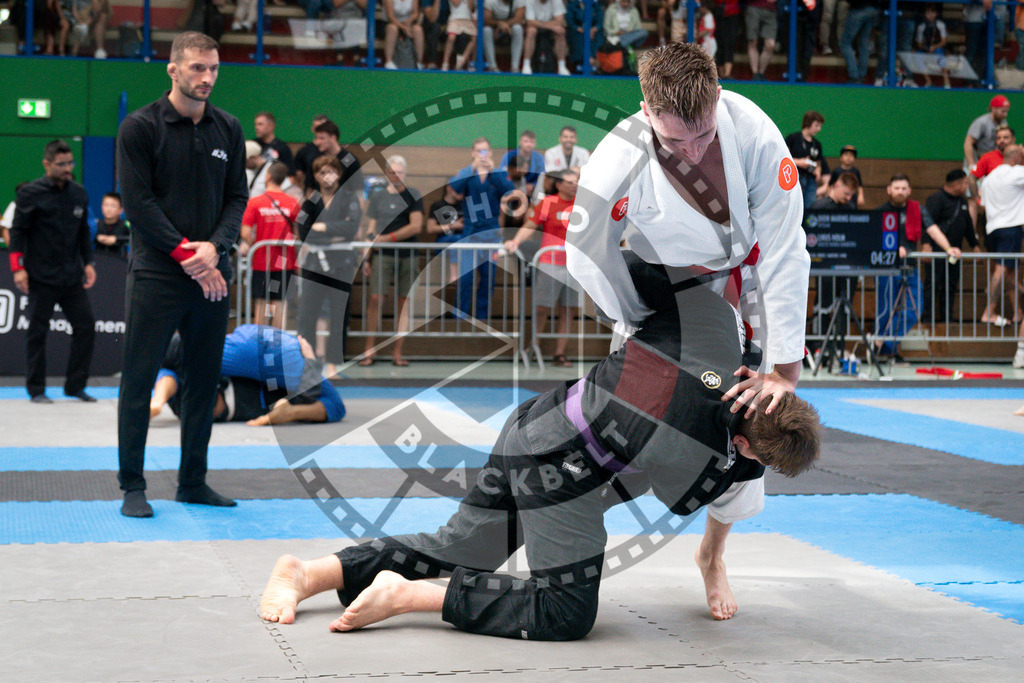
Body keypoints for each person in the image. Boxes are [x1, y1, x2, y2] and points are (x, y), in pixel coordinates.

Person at [258, 254, 822, 638]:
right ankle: (405, 597)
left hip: (534, 420)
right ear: (746, 441)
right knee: (566, 612)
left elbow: (639, 267)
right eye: (756, 457)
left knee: (464, 545)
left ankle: (309, 572)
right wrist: (740, 466)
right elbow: (682, 498)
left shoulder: (717, 325)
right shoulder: (697, 453)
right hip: (563, 476)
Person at [567, 41, 810, 416]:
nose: (692, 151)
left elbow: (785, 246)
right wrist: (634, 315)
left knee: (755, 414)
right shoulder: (617, 159)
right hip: (660, 291)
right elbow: (584, 255)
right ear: (647, 113)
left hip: (744, 279)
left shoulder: (754, 133)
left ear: (717, 96)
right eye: (675, 140)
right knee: (640, 418)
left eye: (703, 135)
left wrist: (784, 371)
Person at [115, 31, 248, 519]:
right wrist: (185, 255)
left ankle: (193, 480)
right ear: (172, 69)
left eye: (213, 68)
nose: (207, 77)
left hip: (212, 272)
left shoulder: (228, 128)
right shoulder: (140, 127)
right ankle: (132, 484)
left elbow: (237, 198)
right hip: (158, 273)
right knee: (140, 378)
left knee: (203, 380)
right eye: (197, 68)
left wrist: (216, 247)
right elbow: (138, 203)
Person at [9, 139, 97, 404]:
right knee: (37, 332)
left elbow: (83, 233)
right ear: (47, 164)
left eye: (70, 162)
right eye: (61, 164)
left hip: (71, 277)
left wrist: (89, 263)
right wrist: (18, 269)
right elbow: (17, 232)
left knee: (86, 328)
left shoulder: (79, 193)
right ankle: (36, 390)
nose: (67, 168)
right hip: (40, 276)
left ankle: (75, 385)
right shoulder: (30, 193)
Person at [149, 325, 345, 426]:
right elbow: (335, 405)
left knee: (169, 365)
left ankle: (156, 402)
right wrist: (310, 358)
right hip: (265, 343)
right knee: (324, 399)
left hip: (254, 347)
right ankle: (156, 402)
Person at [873, 174, 961, 359]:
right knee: (885, 310)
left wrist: (948, 247)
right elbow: (874, 239)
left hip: (910, 268)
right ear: (889, 190)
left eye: (904, 188)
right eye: (896, 188)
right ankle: (887, 353)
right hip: (886, 268)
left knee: (915, 310)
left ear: (909, 191)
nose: (900, 192)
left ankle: (883, 343)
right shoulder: (880, 211)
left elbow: (933, 230)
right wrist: (894, 247)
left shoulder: (917, 209)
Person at [504, 169, 581, 367]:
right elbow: (530, 225)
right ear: (559, 184)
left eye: (576, 181)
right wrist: (515, 241)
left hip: (576, 266)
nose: (574, 185)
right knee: (541, 308)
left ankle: (560, 353)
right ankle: (532, 346)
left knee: (569, 310)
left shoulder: (583, 204)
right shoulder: (548, 203)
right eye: (570, 182)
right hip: (550, 262)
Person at [295, 155, 363, 376]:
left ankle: (333, 364)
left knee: (338, 315)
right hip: (315, 264)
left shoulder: (348, 198)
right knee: (307, 315)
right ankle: (310, 362)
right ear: (316, 176)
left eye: (331, 171)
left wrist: (321, 227)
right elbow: (305, 233)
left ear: (339, 174)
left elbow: (351, 228)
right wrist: (331, 233)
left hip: (341, 264)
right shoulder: (310, 202)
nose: (327, 176)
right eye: (322, 172)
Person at [360, 156, 424, 367]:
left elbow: (416, 226)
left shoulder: (413, 194)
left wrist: (388, 238)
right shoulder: (377, 198)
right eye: (392, 171)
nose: (396, 175)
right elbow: (371, 230)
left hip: (407, 255)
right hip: (382, 255)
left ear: (404, 173)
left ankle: (397, 353)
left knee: (403, 304)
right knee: (375, 299)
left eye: (399, 172)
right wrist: (367, 257)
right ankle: (369, 351)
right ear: (387, 173)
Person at [448, 138, 515, 321]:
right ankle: (459, 317)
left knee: (487, 278)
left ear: (491, 153)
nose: (482, 155)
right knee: (466, 278)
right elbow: (454, 188)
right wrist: (472, 169)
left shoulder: (498, 173)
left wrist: (493, 172)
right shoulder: (466, 172)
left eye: (485, 151)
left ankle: (482, 317)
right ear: (473, 153)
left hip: (491, 233)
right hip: (470, 231)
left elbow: (509, 191)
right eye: (478, 151)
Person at [239, 161, 300, 328]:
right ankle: (277, 346)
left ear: (268, 176)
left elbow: (245, 233)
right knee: (279, 303)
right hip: (284, 262)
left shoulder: (255, 202)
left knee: (261, 304)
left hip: (261, 261)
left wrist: (255, 244)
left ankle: (260, 348)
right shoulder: (292, 202)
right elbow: (298, 233)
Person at [923, 170, 980, 324]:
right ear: (956, 184)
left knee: (950, 285)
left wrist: (975, 246)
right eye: (965, 183)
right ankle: (927, 319)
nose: (967, 186)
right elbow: (927, 224)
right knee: (933, 283)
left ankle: (947, 318)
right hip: (937, 251)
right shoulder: (936, 199)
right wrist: (926, 245)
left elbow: (968, 225)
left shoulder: (962, 202)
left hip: (955, 253)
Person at [978, 145, 1024, 328]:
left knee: (1010, 271)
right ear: (1017, 158)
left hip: (992, 228)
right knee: (1002, 269)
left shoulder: (989, 179)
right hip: (1010, 228)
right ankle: (988, 311)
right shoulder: (1016, 172)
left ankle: (1017, 311)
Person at [784, 111, 828, 212]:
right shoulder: (793, 138)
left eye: (820, 126)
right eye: (816, 125)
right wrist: (798, 162)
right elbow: (783, 158)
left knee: (809, 207)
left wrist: (818, 170)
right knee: (793, 207)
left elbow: (819, 162)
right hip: (795, 178)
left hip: (811, 180)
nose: (818, 129)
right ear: (808, 123)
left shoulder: (817, 144)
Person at [523, 0, 570, 75]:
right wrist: (550, 26)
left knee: (560, 31)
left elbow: (559, 21)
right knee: (531, 31)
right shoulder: (529, 1)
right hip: (538, 27)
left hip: (549, 27)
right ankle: (526, 65)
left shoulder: (557, 1)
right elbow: (529, 22)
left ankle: (562, 66)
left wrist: (546, 25)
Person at [965, 95, 1011, 172]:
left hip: (989, 164)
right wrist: (971, 165)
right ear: (993, 109)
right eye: (1002, 111)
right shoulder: (982, 123)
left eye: (1006, 111)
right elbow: (968, 143)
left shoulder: (1003, 122)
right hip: (976, 163)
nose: (1005, 114)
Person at [839, 0, 879, 84]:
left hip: (858, 8)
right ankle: (861, 76)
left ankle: (854, 76)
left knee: (845, 43)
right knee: (863, 43)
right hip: (873, 9)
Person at [498, 130, 546, 198]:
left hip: (532, 191)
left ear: (535, 144)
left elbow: (541, 176)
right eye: (526, 141)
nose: (528, 144)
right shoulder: (509, 156)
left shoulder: (539, 158)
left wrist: (533, 185)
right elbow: (502, 175)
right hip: (511, 187)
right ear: (520, 142)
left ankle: (538, 206)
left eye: (531, 142)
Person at [914, 4, 950, 89]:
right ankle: (928, 81)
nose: (930, 15)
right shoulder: (921, 26)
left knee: (941, 56)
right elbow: (919, 43)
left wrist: (934, 47)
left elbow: (944, 41)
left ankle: (946, 82)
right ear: (925, 14)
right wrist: (926, 48)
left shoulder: (940, 25)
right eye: (928, 13)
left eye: (932, 12)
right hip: (926, 48)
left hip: (937, 47)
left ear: (936, 13)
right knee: (917, 56)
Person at [483, 0, 526, 72]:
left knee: (518, 28)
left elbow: (519, 19)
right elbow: (486, 20)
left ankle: (515, 67)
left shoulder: (519, 1)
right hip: (495, 31)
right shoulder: (490, 1)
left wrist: (506, 24)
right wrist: (498, 24)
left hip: (510, 30)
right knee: (486, 30)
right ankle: (492, 67)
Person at [382, 0, 425, 69]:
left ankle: (419, 62)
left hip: (408, 23)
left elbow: (415, 13)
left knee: (418, 29)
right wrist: (403, 27)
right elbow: (390, 16)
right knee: (392, 28)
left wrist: (408, 21)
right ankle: (388, 61)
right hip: (391, 23)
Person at [294, 114, 329, 195]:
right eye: (317, 128)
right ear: (313, 129)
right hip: (313, 194)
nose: (320, 131)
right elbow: (297, 178)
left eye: (323, 127)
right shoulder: (304, 151)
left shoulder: (335, 152)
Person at [565, 0, 603, 73]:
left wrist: (593, 29)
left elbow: (600, 21)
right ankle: (587, 60)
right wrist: (580, 29)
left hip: (592, 31)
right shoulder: (572, 5)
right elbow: (570, 22)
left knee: (598, 36)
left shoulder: (596, 5)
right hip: (577, 31)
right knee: (579, 37)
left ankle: (593, 59)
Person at [254, 111, 296, 176]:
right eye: (255, 124)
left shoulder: (282, 148)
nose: (256, 127)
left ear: (271, 126)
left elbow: (291, 175)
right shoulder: (252, 145)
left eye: (260, 124)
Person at [745, 0, 777, 80]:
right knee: (753, 41)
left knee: (770, 45)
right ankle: (755, 74)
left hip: (771, 10)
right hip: (754, 7)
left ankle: (761, 73)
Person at [441, 0, 477, 71]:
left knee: (475, 38)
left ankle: (462, 60)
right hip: (454, 20)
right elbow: (456, 3)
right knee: (451, 37)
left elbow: (471, 8)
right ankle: (445, 63)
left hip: (467, 20)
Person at [94, 192, 130, 257]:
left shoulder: (125, 224)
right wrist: (96, 237)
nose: (109, 209)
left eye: (113, 206)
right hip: (99, 260)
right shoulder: (96, 224)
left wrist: (116, 239)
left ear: (121, 210)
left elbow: (133, 238)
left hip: (119, 261)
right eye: (106, 205)